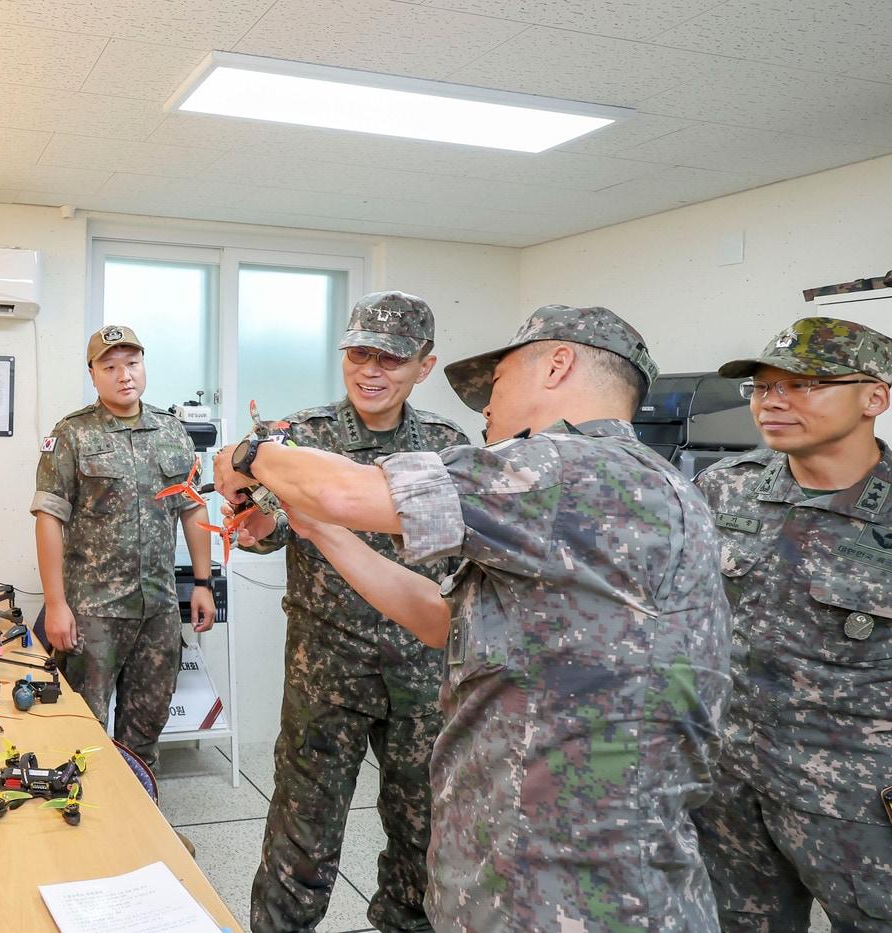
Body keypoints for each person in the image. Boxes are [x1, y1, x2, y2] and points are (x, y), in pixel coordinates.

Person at [214, 304, 732, 931]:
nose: (486, 407)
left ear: (558, 364)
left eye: (498, 384)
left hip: (563, 870)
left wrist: (251, 453)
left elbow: (342, 492)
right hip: (540, 838)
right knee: (305, 825)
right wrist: (314, 526)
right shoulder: (654, 482)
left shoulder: (564, 469)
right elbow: (442, 617)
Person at [235, 291, 468, 933]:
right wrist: (259, 523)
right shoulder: (301, 437)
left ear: (424, 366)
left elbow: (458, 543)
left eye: (391, 359)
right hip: (326, 676)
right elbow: (274, 516)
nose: (371, 371)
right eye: (359, 353)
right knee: (301, 832)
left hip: (423, 678)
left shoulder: (447, 446)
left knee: (423, 834)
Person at [691, 316, 892, 932]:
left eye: (803, 384)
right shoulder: (725, 488)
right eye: (762, 386)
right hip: (727, 777)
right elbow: (685, 622)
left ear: (875, 397)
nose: (772, 400)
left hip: (857, 800)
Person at [31, 325, 217, 770]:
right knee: (82, 732)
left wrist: (203, 583)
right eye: (110, 366)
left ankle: (141, 828)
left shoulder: (172, 432)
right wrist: (55, 604)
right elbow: (48, 519)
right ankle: (86, 834)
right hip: (93, 613)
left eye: (132, 363)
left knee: (147, 731)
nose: (124, 375)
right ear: (92, 374)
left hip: (158, 610)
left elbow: (192, 511)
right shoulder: (72, 435)